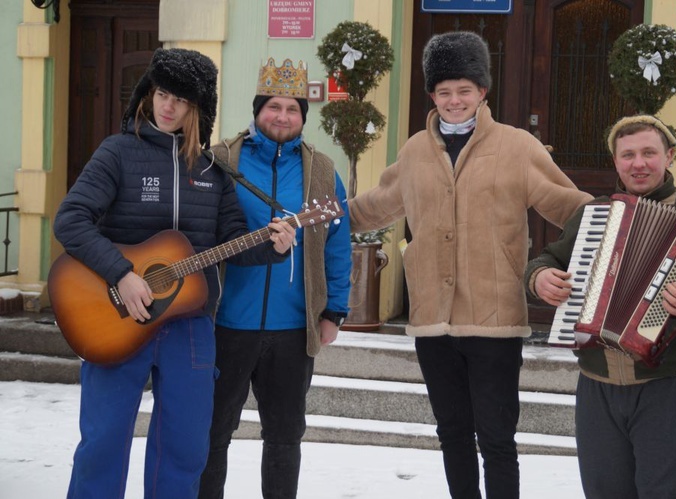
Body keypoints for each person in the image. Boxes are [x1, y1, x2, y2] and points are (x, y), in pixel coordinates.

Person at [347, 32, 592, 499]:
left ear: (483, 91)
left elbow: (568, 205)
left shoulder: (518, 146)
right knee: (451, 434)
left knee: (497, 439)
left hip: (494, 322)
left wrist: (617, 221)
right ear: (432, 96)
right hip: (431, 320)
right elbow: (377, 204)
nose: (454, 101)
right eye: (444, 92)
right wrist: (327, 218)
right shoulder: (416, 149)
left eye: (464, 90)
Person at [54, 48, 296, 499]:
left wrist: (274, 248)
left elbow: (234, 245)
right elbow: (70, 221)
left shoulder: (213, 172)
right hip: (116, 316)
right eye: (163, 94)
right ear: (149, 94)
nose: (169, 107)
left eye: (181, 100)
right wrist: (122, 274)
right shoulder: (118, 152)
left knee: (185, 448)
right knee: (103, 443)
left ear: (197, 109)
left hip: (190, 324)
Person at [525, 114, 676, 499]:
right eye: (628, 155)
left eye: (648, 153)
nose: (638, 163)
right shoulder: (593, 215)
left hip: (665, 389)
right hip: (598, 389)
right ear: (616, 161)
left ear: (669, 155)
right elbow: (548, 260)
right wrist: (540, 278)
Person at [198, 57, 351, 499]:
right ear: (257, 110)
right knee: (212, 433)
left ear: (303, 116)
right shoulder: (220, 160)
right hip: (225, 323)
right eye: (273, 107)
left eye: (292, 109)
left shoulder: (321, 171)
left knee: (284, 437)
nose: (282, 116)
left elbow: (337, 246)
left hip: (291, 327)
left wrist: (334, 311)